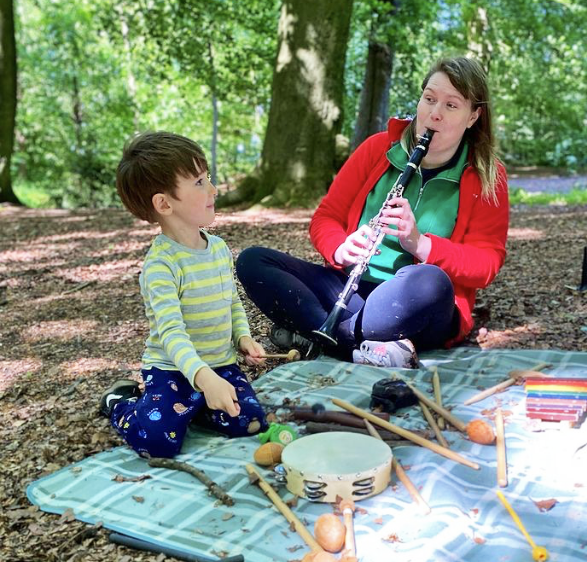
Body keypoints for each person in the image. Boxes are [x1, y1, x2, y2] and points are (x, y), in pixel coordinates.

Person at [237, 56, 509, 368]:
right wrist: (341, 248)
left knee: (431, 281)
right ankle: (354, 346)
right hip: (352, 288)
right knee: (254, 261)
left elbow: (487, 263)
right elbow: (326, 217)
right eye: (429, 99)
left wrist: (420, 244)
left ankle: (321, 335)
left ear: (473, 116)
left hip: (416, 303)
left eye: (451, 105)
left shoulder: (488, 176)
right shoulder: (377, 148)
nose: (434, 114)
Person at [100, 131, 268, 458]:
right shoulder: (161, 266)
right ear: (164, 204)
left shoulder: (218, 248)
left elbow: (230, 301)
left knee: (249, 422)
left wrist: (242, 337)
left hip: (219, 366)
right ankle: (120, 404)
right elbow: (171, 335)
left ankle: (198, 406)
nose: (214, 190)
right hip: (173, 371)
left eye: (208, 178)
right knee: (157, 442)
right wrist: (204, 380)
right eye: (199, 183)